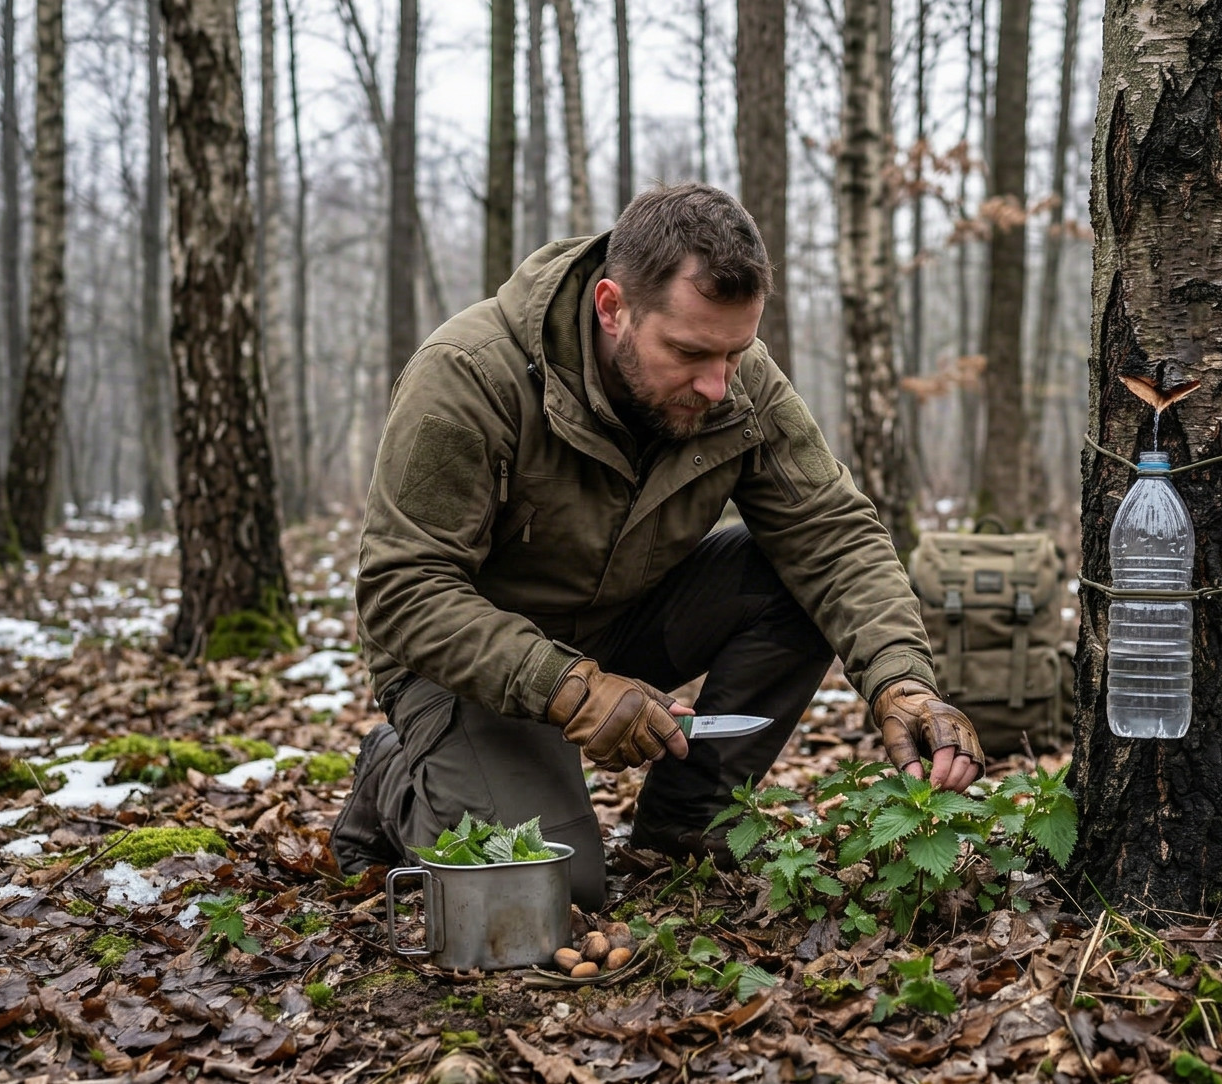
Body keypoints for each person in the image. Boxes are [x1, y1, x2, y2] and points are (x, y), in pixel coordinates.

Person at [331, 183, 981, 910]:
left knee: (792, 581)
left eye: (736, 351)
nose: (716, 383)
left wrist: (902, 679)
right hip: (461, 663)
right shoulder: (468, 374)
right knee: (559, 888)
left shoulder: (737, 380)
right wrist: (567, 686)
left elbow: (832, 535)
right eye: (689, 351)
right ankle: (392, 775)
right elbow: (403, 588)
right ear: (612, 308)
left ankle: (682, 822)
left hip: (618, 623)